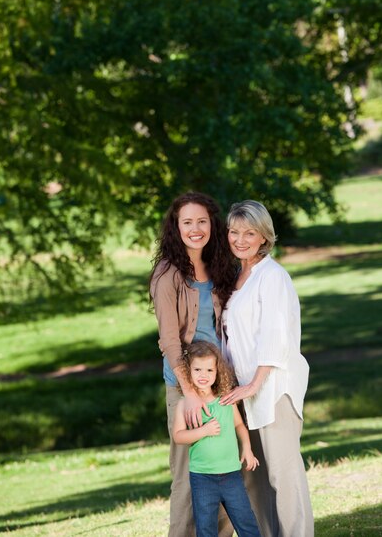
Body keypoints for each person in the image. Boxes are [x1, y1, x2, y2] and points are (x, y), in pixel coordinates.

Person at [220, 200, 314, 537]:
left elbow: (275, 337)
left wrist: (253, 384)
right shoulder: (238, 276)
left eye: (249, 233)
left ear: (264, 237)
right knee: (255, 478)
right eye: (234, 232)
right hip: (245, 392)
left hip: (273, 389)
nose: (240, 239)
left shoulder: (273, 276)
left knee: (283, 477)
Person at [149, 192, 236, 537]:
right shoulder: (167, 275)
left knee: (228, 471)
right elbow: (169, 341)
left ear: (212, 225)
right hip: (186, 387)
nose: (195, 229)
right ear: (176, 227)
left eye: (202, 221)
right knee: (189, 476)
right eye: (187, 222)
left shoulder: (219, 265)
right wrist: (190, 393)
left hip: (221, 383)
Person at [173, 341, 262, 537]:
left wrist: (246, 448)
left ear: (217, 372)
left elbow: (239, 425)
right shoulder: (185, 405)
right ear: (188, 372)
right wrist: (203, 431)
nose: (203, 375)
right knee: (206, 529)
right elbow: (178, 436)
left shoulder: (225, 399)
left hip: (231, 476)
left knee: (246, 524)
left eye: (209, 370)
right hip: (202, 478)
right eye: (197, 369)